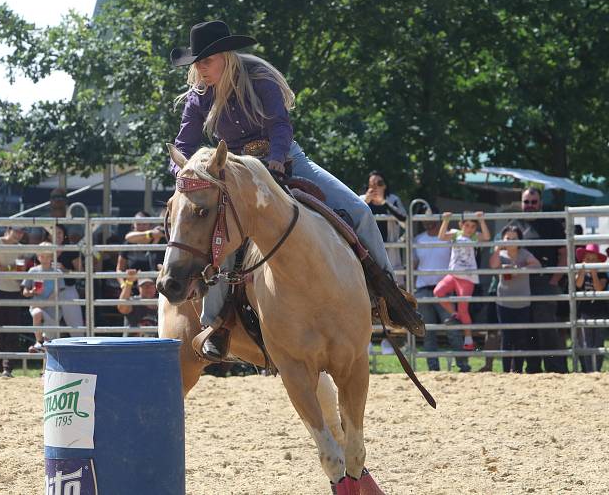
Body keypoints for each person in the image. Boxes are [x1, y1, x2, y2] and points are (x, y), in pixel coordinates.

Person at [169, 20, 423, 358]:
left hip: (286, 159)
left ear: (225, 56)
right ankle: (215, 323)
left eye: (206, 61)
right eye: (197, 63)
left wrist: (274, 160)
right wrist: (183, 174)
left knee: (360, 211)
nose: (200, 69)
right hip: (236, 172)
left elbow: (279, 125)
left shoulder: (259, 78)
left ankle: (388, 296)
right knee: (222, 236)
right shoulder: (200, 94)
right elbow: (184, 142)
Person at [505, 187, 568, 373]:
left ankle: (555, 368)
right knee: (525, 328)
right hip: (520, 284)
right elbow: (502, 248)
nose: (530, 205)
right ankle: (532, 368)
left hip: (544, 282)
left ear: (540, 203)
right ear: (521, 203)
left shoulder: (552, 224)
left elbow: (563, 253)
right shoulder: (514, 224)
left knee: (546, 327)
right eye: (526, 202)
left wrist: (555, 279)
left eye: (533, 202)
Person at [412, 211, 469, 372]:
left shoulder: (448, 237)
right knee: (428, 331)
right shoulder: (418, 239)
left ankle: (463, 366)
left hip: (445, 290)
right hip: (423, 289)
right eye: (425, 219)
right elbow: (414, 264)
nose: (428, 222)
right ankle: (433, 369)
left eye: (431, 218)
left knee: (453, 328)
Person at [435, 211, 491, 350]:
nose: (469, 228)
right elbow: (441, 236)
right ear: (461, 225)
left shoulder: (474, 237)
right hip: (453, 274)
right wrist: (446, 220)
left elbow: (487, 237)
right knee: (438, 292)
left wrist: (482, 220)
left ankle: (468, 339)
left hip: (467, 277)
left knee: (464, 308)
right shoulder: (455, 233)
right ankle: (455, 315)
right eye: (467, 225)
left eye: (473, 226)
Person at [488, 225, 541, 372]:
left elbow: (537, 265)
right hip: (504, 301)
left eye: (514, 238)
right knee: (506, 337)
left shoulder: (524, 253)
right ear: (503, 239)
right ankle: (506, 370)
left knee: (521, 337)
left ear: (520, 240)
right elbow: (492, 266)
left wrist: (520, 269)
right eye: (508, 238)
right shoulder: (500, 254)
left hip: (523, 302)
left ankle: (517, 369)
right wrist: (498, 249)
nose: (511, 241)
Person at [0, 226, 26, 378]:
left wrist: (14, 271)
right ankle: (0, 367)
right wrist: (13, 268)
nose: (19, 234)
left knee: (12, 332)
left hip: (13, 290)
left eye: (22, 232)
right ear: (8, 230)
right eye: (17, 230)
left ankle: (7, 368)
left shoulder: (20, 248)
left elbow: (19, 273)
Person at [361, 171, 407, 286]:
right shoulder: (361, 200)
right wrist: (365, 201)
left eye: (379, 183)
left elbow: (405, 221)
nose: (376, 187)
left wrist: (384, 203)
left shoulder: (393, 200)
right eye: (372, 184)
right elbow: (352, 218)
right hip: (368, 251)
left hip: (390, 253)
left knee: (394, 289)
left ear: (385, 186)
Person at [22, 242, 66, 351]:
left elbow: (57, 292)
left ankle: (42, 349)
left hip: (53, 309)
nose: (45, 259)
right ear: (38, 256)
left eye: (48, 256)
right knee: (37, 313)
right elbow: (25, 292)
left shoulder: (57, 272)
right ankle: (39, 342)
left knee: (50, 343)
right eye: (42, 256)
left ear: (52, 257)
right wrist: (32, 291)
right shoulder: (33, 271)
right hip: (37, 307)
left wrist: (44, 304)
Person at [574, 244, 607, 372]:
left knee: (598, 342)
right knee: (586, 343)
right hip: (585, 311)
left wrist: (594, 274)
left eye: (593, 260)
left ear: (598, 261)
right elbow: (578, 284)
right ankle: (588, 370)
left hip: (600, 311)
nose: (590, 262)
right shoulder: (581, 272)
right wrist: (582, 271)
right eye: (588, 259)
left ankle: (597, 369)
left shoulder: (602, 273)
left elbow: (599, 288)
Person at [117, 269, 158, 337]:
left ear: (155, 287)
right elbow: (121, 307)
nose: (148, 288)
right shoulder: (133, 301)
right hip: (133, 345)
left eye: (151, 284)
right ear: (138, 288)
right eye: (144, 285)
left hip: (154, 346)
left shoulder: (160, 304)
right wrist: (129, 281)